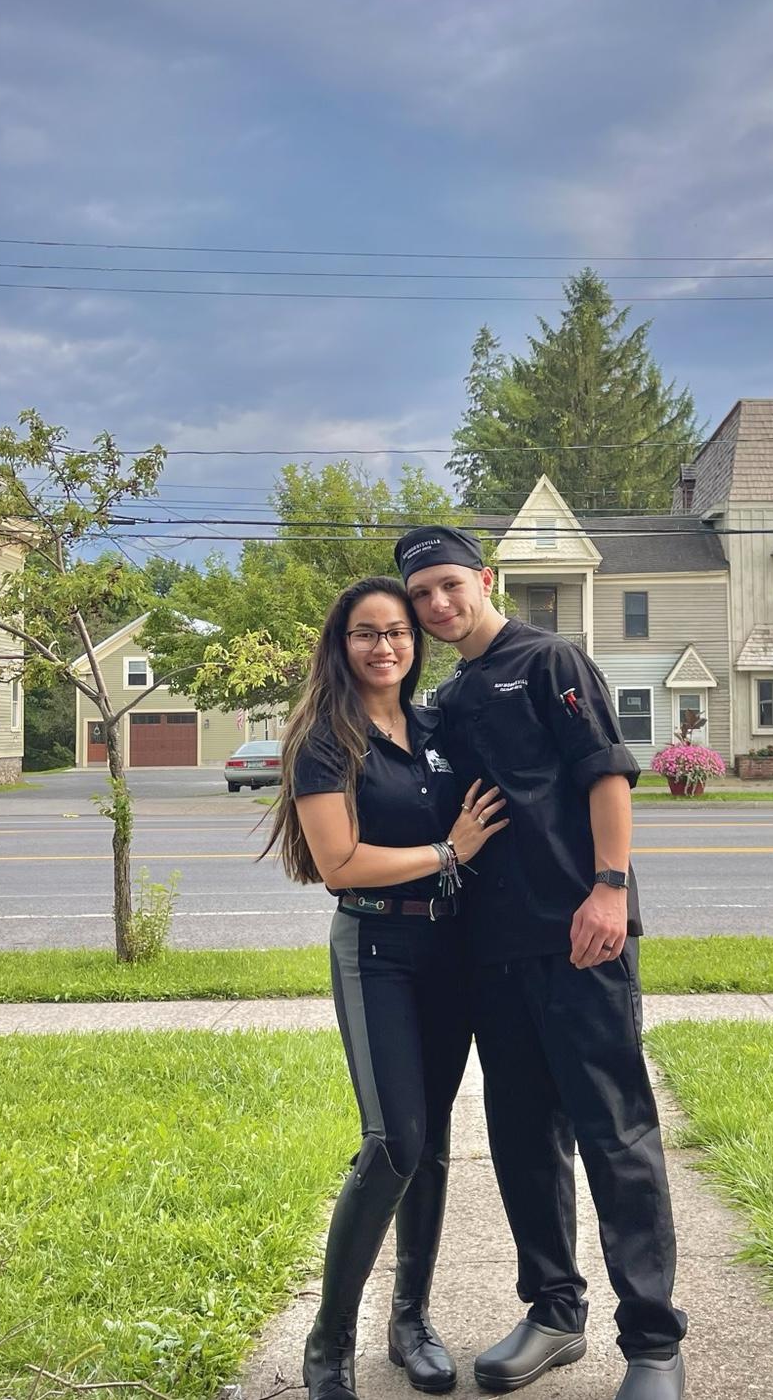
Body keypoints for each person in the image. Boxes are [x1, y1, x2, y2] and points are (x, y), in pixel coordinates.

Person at [395, 527, 687, 1400]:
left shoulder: (551, 659)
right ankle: (554, 1313)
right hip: (494, 953)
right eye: (422, 596)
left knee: (615, 1134)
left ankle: (653, 1344)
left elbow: (605, 775)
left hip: (579, 939)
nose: (438, 605)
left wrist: (608, 889)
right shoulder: (449, 697)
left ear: (484, 580)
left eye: (451, 585)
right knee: (524, 1139)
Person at [261, 574, 508, 1400]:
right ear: (343, 643)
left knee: (431, 1141)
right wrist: (449, 854)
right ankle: (329, 1343)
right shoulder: (325, 740)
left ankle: (412, 1320)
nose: (385, 646)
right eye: (367, 633)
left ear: (417, 642)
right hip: (377, 947)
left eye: (398, 632)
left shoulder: (434, 724)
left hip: (450, 949)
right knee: (393, 1141)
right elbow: (340, 862)